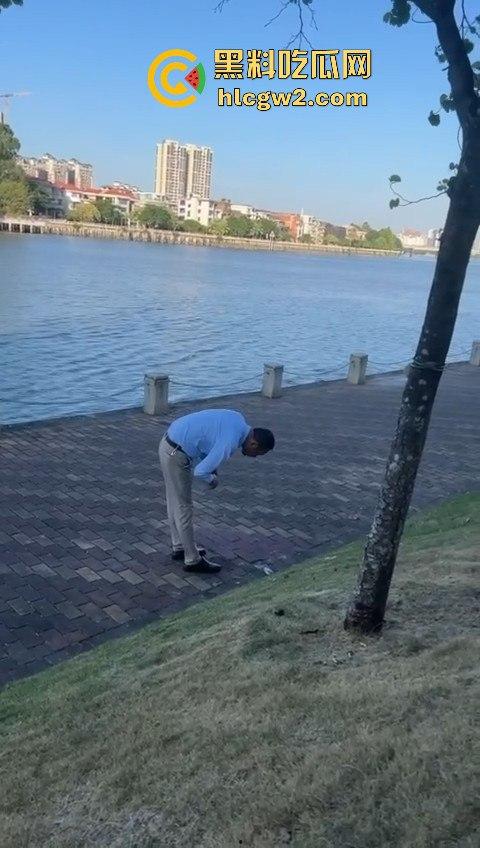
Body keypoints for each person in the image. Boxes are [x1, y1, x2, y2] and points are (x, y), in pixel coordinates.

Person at [159, 409, 275, 574]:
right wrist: (212, 480)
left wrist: (210, 466)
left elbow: (208, 439)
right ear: (253, 444)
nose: (254, 456)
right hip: (176, 453)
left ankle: (179, 547)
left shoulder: (238, 419)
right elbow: (200, 472)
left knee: (174, 501)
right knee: (183, 507)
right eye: (257, 453)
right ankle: (192, 560)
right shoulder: (230, 442)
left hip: (170, 443)